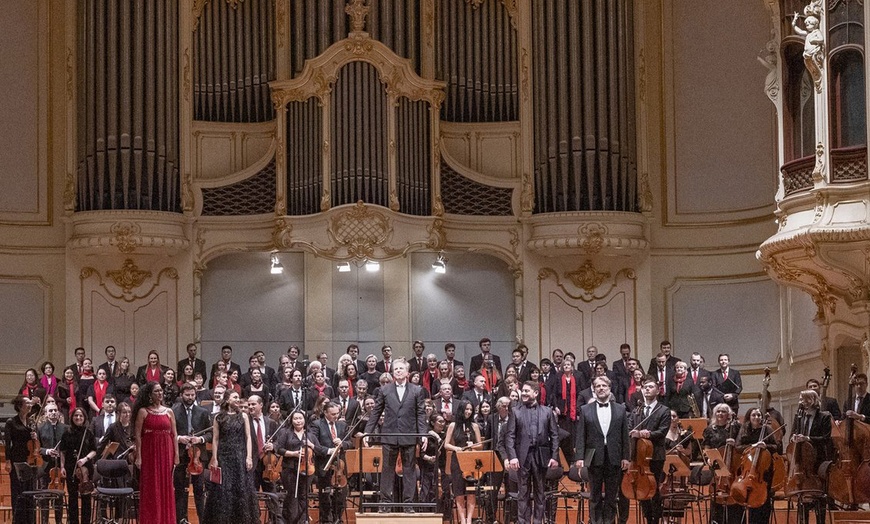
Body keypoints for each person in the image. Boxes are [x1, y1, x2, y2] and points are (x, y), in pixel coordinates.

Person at [364, 358, 428, 512]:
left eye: (401, 368)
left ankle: (408, 504)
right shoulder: (384, 390)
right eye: (396, 368)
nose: (398, 371)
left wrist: (423, 434)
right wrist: (368, 431)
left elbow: (420, 414)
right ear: (392, 372)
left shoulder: (417, 390)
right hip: (390, 435)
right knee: (387, 470)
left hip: (409, 435)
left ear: (407, 372)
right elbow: (376, 412)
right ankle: (385, 503)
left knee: (409, 471)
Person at [574, 376, 630, 524]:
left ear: (609, 388)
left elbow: (625, 435)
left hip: (614, 456)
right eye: (597, 386)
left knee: (612, 496)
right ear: (594, 389)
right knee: (595, 496)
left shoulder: (620, 409)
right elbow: (581, 435)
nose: (601, 388)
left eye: (604, 385)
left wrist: (626, 457)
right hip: (593, 457)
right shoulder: (585, 410)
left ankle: (609, 521)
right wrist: (579, 457)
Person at [504, 381, 560, 524]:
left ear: (535, 393)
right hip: (522, 457)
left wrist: (554, 457)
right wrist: (512, 457)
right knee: (523, 493)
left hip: (541, 456)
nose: (523, 393)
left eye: (527, 391)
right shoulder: (516, 411)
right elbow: (509, 436)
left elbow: (554, 435)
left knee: (540, 492)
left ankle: (537, 521)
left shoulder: (547, 411)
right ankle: (523, 522)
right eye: (522, 391)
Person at [203, 390, 260, 523]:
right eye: (235, 397)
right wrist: (215, 458)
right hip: (224, 457)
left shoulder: (244, 416)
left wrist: (249, 457)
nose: (238, 399)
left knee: (241, 487)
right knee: (223, 489)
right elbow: (215, 439)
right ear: (227, 399)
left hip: (240, 456)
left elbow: (248, 437)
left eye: (238, 397)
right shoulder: (218, 417)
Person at [133, 382, 178, 524]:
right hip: (149, 453)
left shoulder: (169, 411)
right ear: (150, 395)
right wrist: (139, 457)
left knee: (166, 486)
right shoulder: (143, 412)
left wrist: (176, 455)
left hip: (166, 452)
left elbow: (174, 434)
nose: (160, 393)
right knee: (151, 487)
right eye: (156, 391)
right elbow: (138, 436)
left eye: (161, 391)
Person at [629, 376, 670, 524]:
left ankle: (656, 520)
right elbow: (629, 427)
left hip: (656, 455)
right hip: (638, 456)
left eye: (651, 386)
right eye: (645, 386)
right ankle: (647, 518)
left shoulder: (663, 410)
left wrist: (647, 434)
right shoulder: (637, 410)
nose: (647, 389)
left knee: (654, 489)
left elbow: (663, 431)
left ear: (658, 391)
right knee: (641, 488)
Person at [790, 389, 832, 524]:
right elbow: (793, 433)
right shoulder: (799, 415)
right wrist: (794, 438)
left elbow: (826, 438)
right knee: (803, 496)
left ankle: (820, 521)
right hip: (803, 462)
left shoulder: (824, 416)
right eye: (800, 399)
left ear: (812, 400)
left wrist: (807, 438)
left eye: (803, 399)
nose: (801, 402)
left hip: (819, 460)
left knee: (819, 496)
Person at [172, 383, 212, 523]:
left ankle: (203, 520)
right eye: (187, 395)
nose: (190, 398)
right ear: (181, 395)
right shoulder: (174, 411)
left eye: (192, 395)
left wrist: (200, 438)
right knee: (180, 490)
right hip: (181, 456)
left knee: (199, 491)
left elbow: (210, 433)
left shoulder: (203, 412)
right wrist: (179, 438)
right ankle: (181, 519)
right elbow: (170, 433)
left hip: (198, 456)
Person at [735, 407, 779, 523]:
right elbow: (738, 447)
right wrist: (753, 446)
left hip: (763, 469)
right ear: (749, 417)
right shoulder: (744, 429)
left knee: (764, 500)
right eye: (754, 415)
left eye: (759, 415)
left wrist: (766, 446)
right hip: (748, 468)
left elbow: (776, 447)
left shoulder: (767, 429)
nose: (756, 417)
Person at [311, 401, 352, 524]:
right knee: (325, 495)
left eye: (337, 413)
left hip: (340, 465)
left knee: (341, 495)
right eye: (333, 414)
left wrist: (342, 443)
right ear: (325, 413)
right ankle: (326, 520)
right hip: (324, 464)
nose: (336, 416)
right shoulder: (316, 424)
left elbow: (350, 443)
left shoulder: (342, 425)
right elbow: (314, 445)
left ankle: (338, 519)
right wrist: (329, 450)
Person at [444, 399, 483, 524]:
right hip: (457, 459)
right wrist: (456, 448)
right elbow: (446, 444)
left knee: (471, 492)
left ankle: (469, 519)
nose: (469, 412)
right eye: (466, 409)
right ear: (461, 410)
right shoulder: (453, 425)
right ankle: (462, 520)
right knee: (459, 491)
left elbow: (480, 445)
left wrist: (473, 445)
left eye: (470, 409)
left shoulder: (474, 426)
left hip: (471, 461)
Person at [702, 403, 741, 524]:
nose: (720, 414)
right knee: (716, 495)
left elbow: (741, 445)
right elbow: (706, 448)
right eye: (718, 411)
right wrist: (708, 458)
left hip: (733, 464)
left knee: (734, 497)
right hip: (717, 464)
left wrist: (734, 443)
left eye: (723, 411)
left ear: (728, 414)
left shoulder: (735, 428)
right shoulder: (709, 430)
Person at [59, 407, 97, 524]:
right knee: (72, 497)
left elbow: (94, 450)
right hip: (71, 467)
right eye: (76, 415)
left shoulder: (88, 433)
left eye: (81, 416)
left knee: (86, 497)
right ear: (72, 417)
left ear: (84, 418)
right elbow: (63, 451)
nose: (78, 418)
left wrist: (85, 459)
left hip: (85, 468)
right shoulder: (66, 433)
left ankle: (86, 522)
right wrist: (62, 467)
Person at [5, 396, 40, 524]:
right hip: (17, 461)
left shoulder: (31, 422)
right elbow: (8, 444)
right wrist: (8, 461)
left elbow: (36, 444)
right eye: (27, 403)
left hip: (30, 460)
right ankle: (18, 521)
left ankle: (30, 520)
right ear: (20, 406)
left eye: (30, 403)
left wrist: (35, 437)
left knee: (30, 491)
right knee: (17, 491)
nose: (30, 405)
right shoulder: (11, 422)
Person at [274, 410, 313, 524]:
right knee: (291, 495)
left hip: (307, 468)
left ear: (305, 420)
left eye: (300, 418)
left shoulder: (309, 435)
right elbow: (279, 449)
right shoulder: (286, 433)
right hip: (289, 468)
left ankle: (302, 520)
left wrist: (311, 447)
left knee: (303, 495)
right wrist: (294, 453)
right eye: (295, 418)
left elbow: (317, 448)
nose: (298, 421)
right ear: (291, 420)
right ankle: (290, 520)